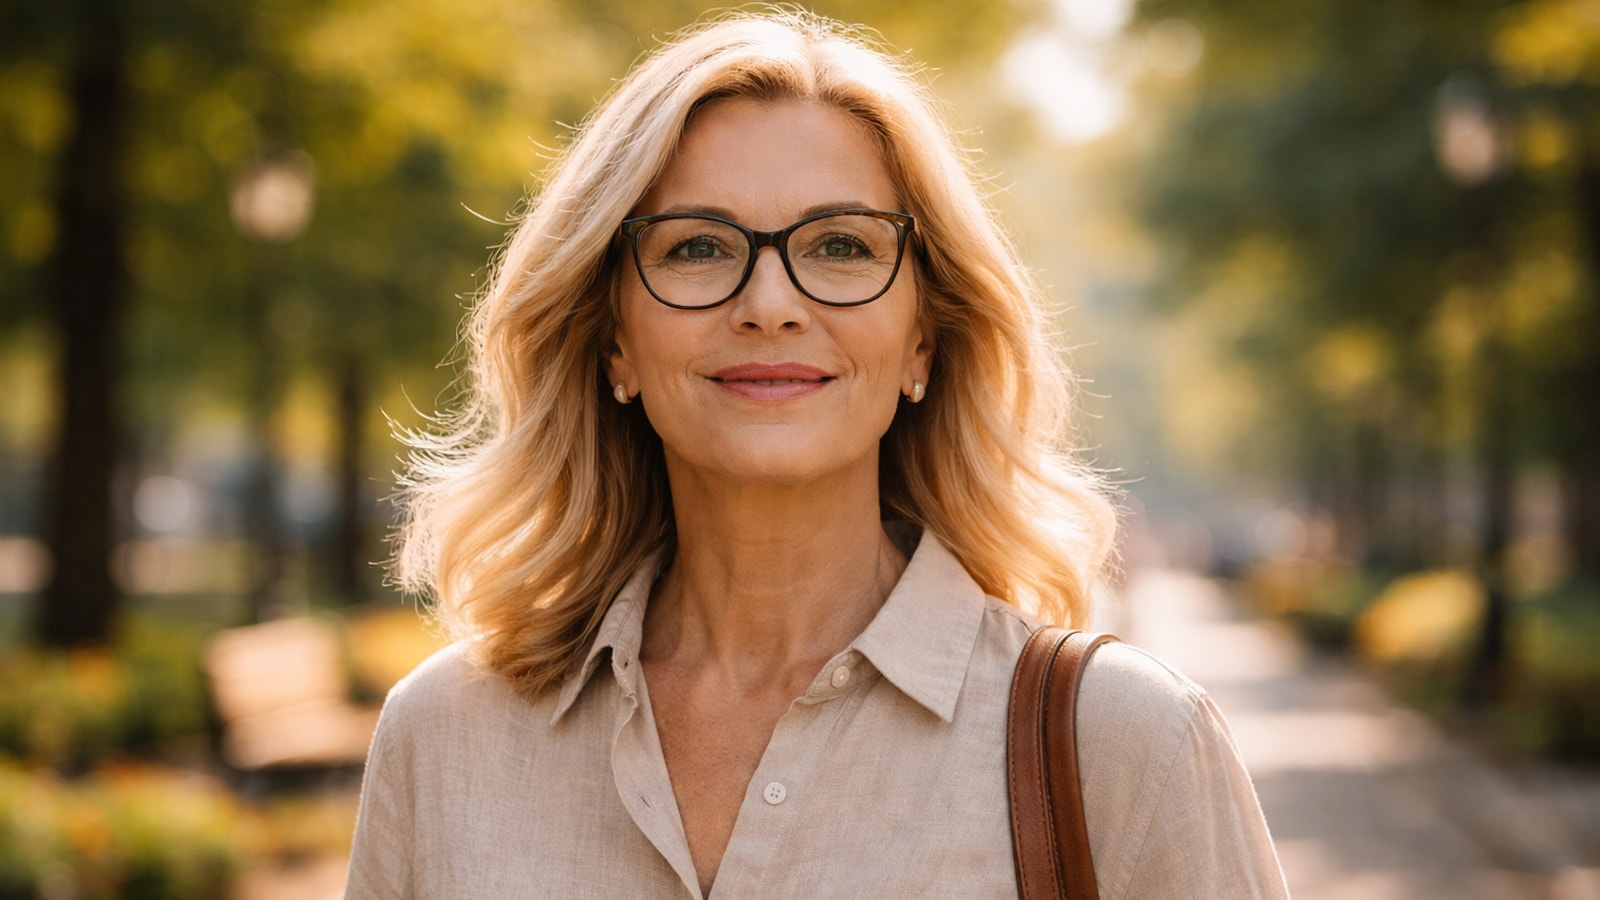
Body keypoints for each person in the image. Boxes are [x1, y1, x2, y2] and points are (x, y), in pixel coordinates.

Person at [346, 9, 1288, 899]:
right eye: (697, 248)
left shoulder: (1124, 745)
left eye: (840, 244)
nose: (769, 302)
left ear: (923, 339)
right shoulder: (444, 740)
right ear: (613, 341)